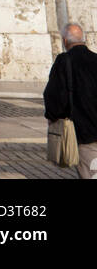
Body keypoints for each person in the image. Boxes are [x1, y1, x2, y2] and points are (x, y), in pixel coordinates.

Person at [43, 22, 97, 179]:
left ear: (65, 41)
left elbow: (53, 95)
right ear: (84, 39)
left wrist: (53, 117)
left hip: (85, 134)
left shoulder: (64, 61)